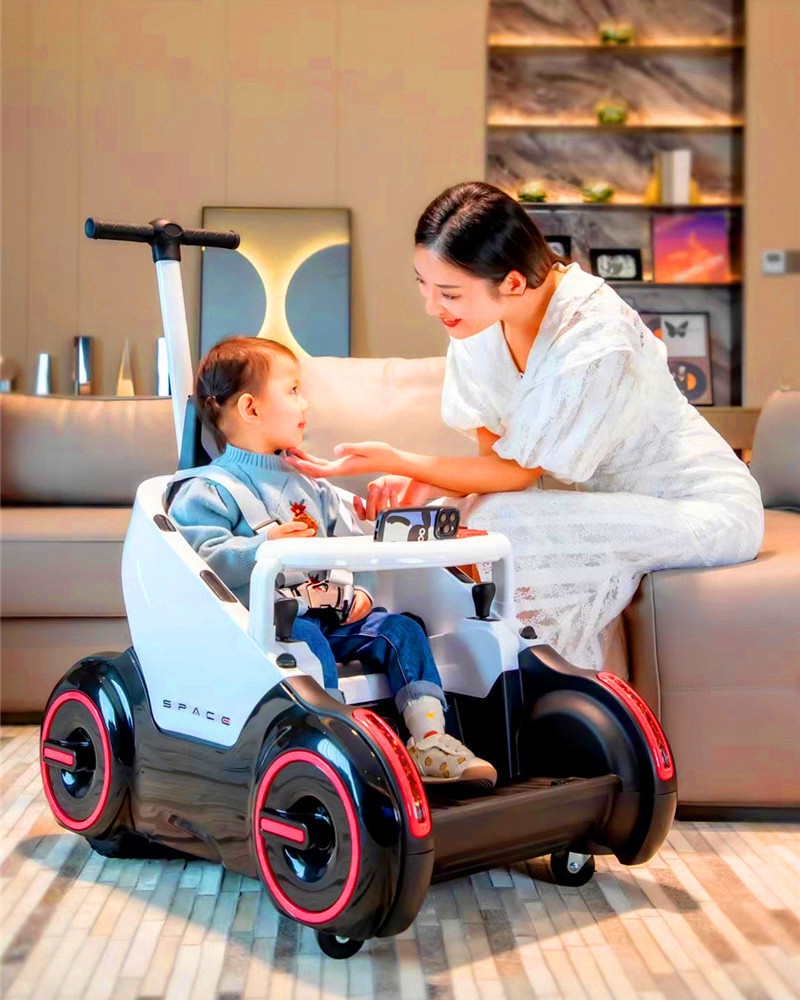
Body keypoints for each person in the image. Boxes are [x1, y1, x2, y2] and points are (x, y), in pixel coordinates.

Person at [284, 181, 765, 672]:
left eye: (449, 293)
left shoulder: (593, 334)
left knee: (503, 523)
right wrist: (429, 485)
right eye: (423, 284)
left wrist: (401, 461)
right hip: (621, 503)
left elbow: (517, 474)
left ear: (514, 283)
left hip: (702, 506)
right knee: (443, 519)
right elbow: (496, 465)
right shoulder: (475, 328)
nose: (432, 305)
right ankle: (452, 678)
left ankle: (544, 684)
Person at [167, 335, 497, 788]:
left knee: (403, 630)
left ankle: (430, 742)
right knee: (305, 641)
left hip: (332, 617)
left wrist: (360, 591)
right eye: (293, 390)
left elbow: (353, 545)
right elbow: (201, 561)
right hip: (266, 628)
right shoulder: (210, 489)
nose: (305, 402)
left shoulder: (314, 485)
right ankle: (337, 744)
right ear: (250, 408)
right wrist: (262, 546)